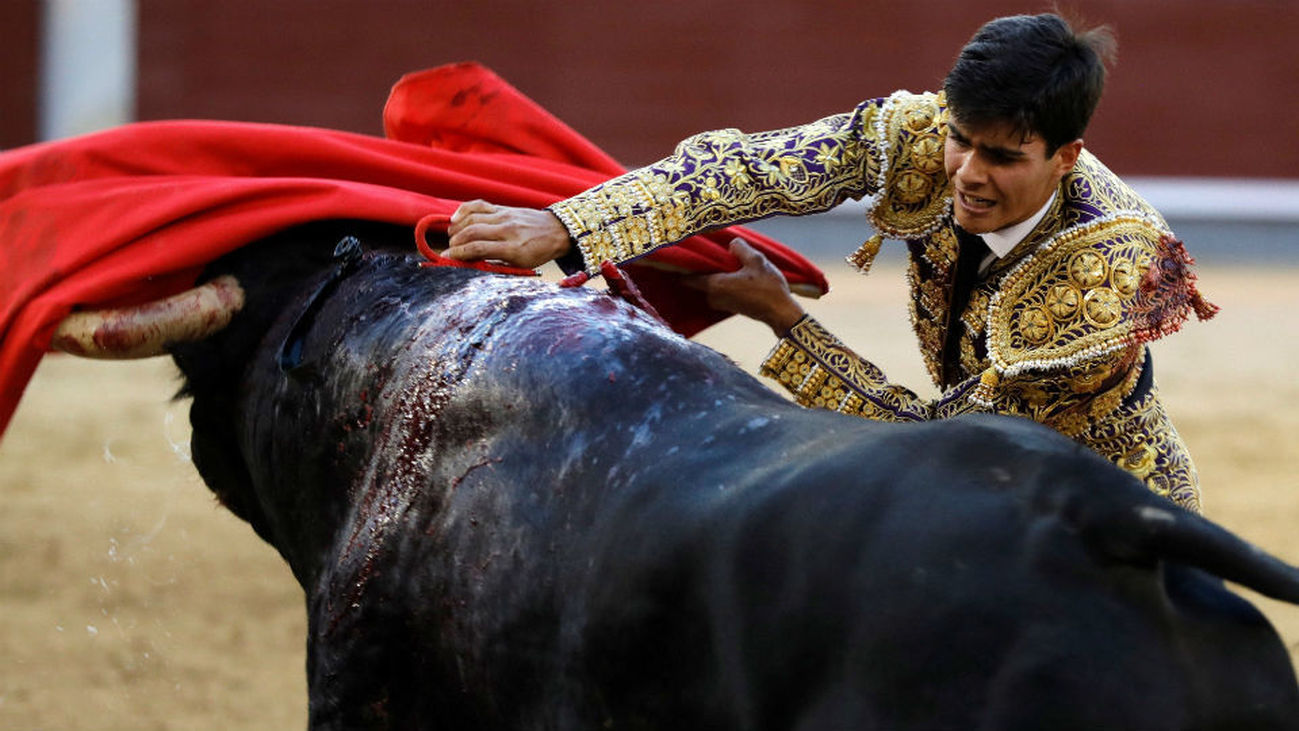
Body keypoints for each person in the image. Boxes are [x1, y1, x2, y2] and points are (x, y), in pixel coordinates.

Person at [441, 13, 1217, 512]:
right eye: (960, 139)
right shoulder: (917, 133)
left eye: (1003, 157)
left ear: (1065, 155)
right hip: (978, 481)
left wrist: (784, 321)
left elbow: (932, 441)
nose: (967, 174)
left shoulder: (1107, 275)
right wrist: (568, 224)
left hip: (1106, 508)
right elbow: (747, 169)